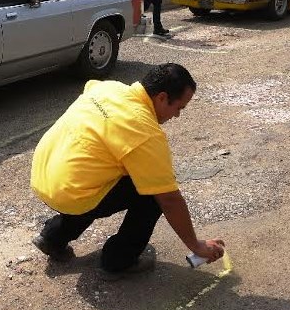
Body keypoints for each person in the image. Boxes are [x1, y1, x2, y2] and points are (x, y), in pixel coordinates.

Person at [30, 64, 225, 279]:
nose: (177, 115)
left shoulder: (107, 88)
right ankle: (118, 261)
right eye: (179, 108)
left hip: (44, 175)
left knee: (98, 173)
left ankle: (52, 237)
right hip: (73, 194)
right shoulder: (145, 133)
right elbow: (169, 199)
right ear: (161, 98)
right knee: (153, 194)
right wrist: (196, 245)